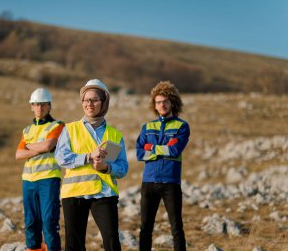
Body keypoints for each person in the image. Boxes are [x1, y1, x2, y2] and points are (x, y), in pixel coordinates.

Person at [55, 79, 128, 251]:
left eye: (94, 99)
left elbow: (123, 167)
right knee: (74, 246)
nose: (89, 103)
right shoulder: (70, 129)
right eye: (86, 100)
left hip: (104, 193)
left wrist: (106, 168)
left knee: (112, 242)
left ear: (104, 103)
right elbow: (61, 158)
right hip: (75, 193)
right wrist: (88, 156)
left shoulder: (115, 135)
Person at [136, 81, 189, 251]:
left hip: (170, 182)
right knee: (145, 229)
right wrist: (164, 148)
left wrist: (151, 148)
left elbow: (174, 150)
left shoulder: (182, 126)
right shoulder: (147, 127)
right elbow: (139, 153)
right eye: (158, 102)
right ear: (154, 105)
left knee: (176, 228)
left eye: (165, 101)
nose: (162, 105)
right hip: (148, 182)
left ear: (172, 102)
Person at [15, 88, 64, 251]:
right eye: (35, 104)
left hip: (49, 179)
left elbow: (49, 145)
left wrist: (29, 147)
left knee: (49, 222)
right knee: (30, 223)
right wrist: (38, 148)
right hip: (28, 181)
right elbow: (18, 154)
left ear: (49, 106)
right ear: (31, 106)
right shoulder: (27, 130)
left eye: (43, 104)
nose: (39, 108)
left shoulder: (58, 125)